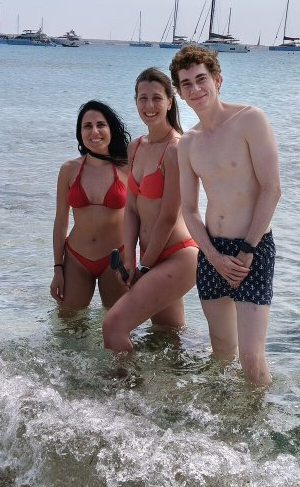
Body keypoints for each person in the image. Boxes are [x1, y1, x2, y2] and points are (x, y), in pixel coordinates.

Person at [170, 45, 281, 386]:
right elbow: (189, 208)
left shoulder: (250, 120)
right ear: (179, 92)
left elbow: (271, 189)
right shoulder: (188, 144)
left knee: (251, 357)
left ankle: (260, 426)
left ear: (218, 80)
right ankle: (222, 428)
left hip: (253, 249)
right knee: (220, 351)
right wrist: (213, 256)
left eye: (201, 79)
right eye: (186, 84)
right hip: (211, 252)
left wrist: (246, 250)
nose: (195, 89)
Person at [102, 69, 198, 353]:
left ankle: (123, 394)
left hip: (179, 255)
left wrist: (144, 266)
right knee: (166, 339)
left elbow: (169, 216)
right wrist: (130, 258)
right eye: (143, 98)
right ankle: (171, 396)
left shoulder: (176, 149)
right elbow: (131, 208)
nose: (149, 105)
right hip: (149, 256)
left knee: (113, 326)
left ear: (170, 101)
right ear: (135, 102)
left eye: (157, 98)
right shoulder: (136, 147)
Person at [51, 100, 130, 313]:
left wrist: (133, 261)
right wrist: (58, 268)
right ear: (80, 133)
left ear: (110, 128)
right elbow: (61, 220)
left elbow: (141, 217)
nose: (94, 131)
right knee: (68, 328)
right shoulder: (69, 170)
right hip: (76, 258)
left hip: (115, 260)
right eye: (87, 126)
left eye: (100, 125)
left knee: (116, 327)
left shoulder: (128, 168)